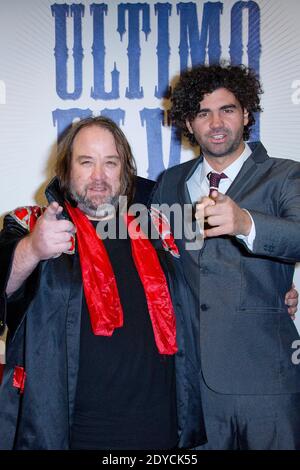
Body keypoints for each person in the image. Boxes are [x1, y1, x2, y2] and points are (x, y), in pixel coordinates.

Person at [0, 116, 181, 450]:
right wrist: (32, 249)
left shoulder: (159, 229)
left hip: (161, 430)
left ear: (125, 170)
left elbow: (200, 294)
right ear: (66, 170)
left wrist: (276, 292)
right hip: (72, 433)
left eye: (110, 163)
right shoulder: (31, 224)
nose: (99, 177)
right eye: (86, 162)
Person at [151, 63, 300, 449]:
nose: (216, 122)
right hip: (192, 387)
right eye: (203, 113)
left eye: (227, 109)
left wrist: (246, 222)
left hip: (267, 380)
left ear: (246, 114)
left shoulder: (284, 176)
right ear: (189, 122)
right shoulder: (170, 182)